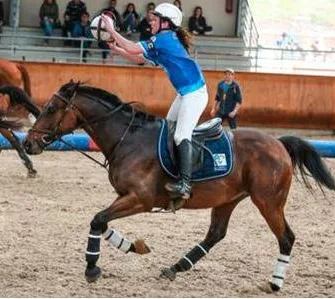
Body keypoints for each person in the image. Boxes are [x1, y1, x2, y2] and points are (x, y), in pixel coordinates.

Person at [101, 3, 208, 208]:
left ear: (166, 23)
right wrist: (116, 48)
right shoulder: (162, 41)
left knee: (180, 135)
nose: (151, 22)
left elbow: (133, 47)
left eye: (155, 19)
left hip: (195, 94)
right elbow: (139, 58)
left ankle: (185, 184)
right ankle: (169, 174)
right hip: (185, 94)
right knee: (167, 130)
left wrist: (113, 31)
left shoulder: (164, 39)